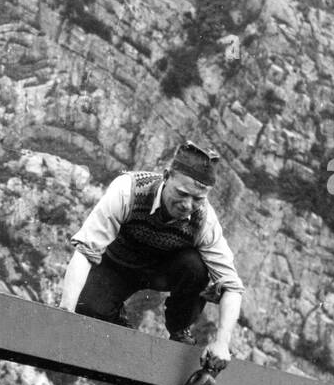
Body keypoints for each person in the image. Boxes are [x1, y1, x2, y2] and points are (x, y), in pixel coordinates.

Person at [60, 140, 243, 365]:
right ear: (166, 176)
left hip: (160, 271)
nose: (187, 205)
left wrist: (222, 343)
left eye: (197, 199)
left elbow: (232, 287)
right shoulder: (128, 190)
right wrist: (65, 313)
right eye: (182, 193)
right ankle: (116, 319)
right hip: (117, 265)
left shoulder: (205, 221)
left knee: (195, 266)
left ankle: (179, 331)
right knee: (87, 306)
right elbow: (85, 250)